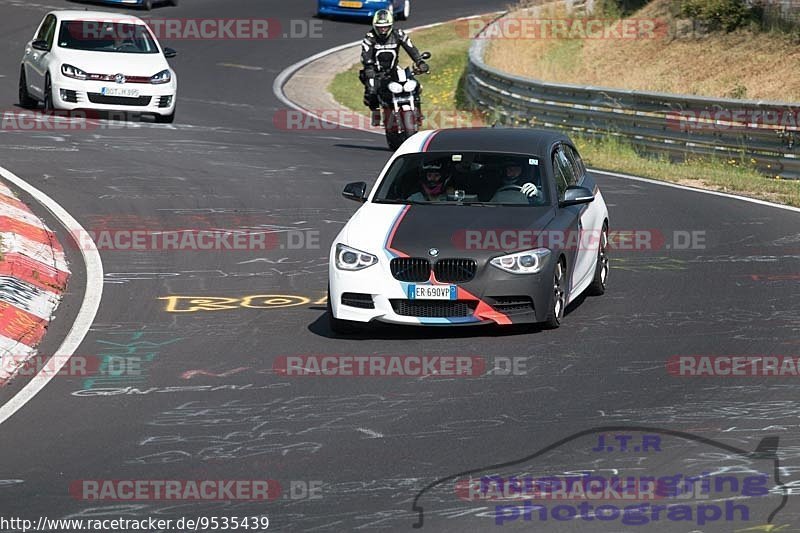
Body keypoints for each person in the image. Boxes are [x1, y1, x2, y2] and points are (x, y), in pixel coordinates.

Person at [360, 9, 429, 127]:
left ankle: (417, 112)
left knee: (414, 85)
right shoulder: (370, 37)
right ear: (374, 26)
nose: (382, 29)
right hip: (375, 70)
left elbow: (410, 48)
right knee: (371, 91)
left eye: (385, 27)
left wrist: (419, 61)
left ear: (390, 25)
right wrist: (368, 68)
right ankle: (376, 112)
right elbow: (366, 53)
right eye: (380, 27)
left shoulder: (399, 34)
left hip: (393, 69)